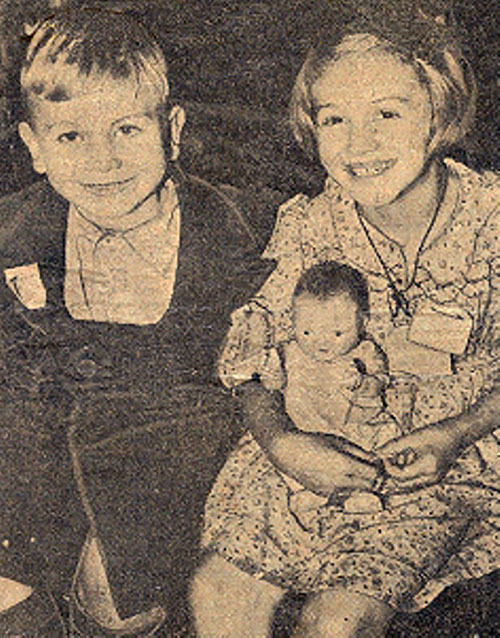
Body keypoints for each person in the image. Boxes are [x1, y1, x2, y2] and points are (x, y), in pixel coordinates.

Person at [191, 2, 500, 637]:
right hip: (309, 446)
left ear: (439, 112)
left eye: (387, 113)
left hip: (449, 459)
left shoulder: (492, 219)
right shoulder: (310, 225)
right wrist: (284, 444)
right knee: (216, 595)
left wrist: (454, 434)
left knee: (336, 622)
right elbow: (250, 361)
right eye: (336, 120)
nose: (361, 145)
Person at [0, 6, 272, 637]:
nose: (104, 160)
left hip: (167, 465)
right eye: (71, 137)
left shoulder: (241, 230)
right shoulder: (14, 232)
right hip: (40, 466)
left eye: (126, 129)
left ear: (170, 130)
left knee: (125, 600)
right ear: (34, 147)